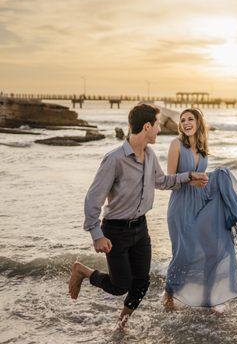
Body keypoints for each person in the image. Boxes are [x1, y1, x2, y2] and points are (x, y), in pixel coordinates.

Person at [68, 103, 208, 328]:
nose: (159, 130)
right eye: (157, 126)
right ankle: (82, 271)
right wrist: (96, 235)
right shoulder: (114, 159)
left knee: (142, 283)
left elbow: (161, 181)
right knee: (120, 286)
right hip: (115, 231)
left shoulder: (150, 155)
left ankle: (121, 323)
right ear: (146, 127)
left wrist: (189, 176)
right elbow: (92, 200)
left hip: (141, 229)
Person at [162, 108, 237, 311]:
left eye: (190, 119)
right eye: (183, 120)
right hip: (181, 206)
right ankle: (168, 295)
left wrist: (209, 180)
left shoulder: (203, 148)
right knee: (183, 254)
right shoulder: (176, 144)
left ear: (198, 123)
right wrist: (191, 178)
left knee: (211, 251)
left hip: (201, 203)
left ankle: (208, 297)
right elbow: (169, 180)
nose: (186, 123)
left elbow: (202, 178)